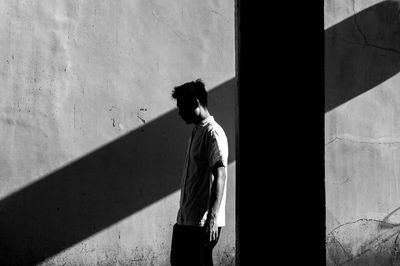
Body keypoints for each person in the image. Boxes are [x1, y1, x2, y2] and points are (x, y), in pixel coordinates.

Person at [170, 79, 229, 266]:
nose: (179, 112)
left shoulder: (213, 134)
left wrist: (212, 219)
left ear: (195, 103)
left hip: (200, 224)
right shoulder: (197, 132)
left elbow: (220, 175)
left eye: (181, 107)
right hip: (185, 221)